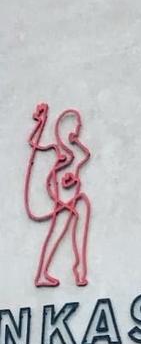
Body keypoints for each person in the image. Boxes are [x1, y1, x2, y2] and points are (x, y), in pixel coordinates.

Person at [25, 103, 92, 288]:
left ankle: (77, 271)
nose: (76, 132)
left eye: (77, 128)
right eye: (74, 128)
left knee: (75, 216)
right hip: (60, 199)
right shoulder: (58, 151)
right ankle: (43, 274)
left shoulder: (76, 152)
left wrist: (71, 181)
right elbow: (34, 143)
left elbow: (82, 158)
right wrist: (40, 121)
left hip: (69, 199)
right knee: (57, 232)